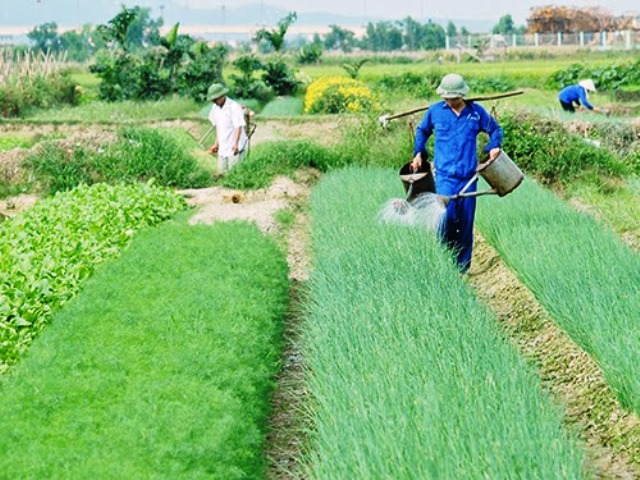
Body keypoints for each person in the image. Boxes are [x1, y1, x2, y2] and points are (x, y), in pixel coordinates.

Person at [410, 73, 503, 272]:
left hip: (468, 178)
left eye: (454, 98)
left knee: (466, 221)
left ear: (462, 95)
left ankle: (463, 268)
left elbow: (495, 129)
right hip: (444, 177)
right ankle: (446, 262)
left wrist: (494, 146)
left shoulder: (476, 113)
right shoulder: (435, 111)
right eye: (447, 98)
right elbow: (422, 131)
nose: (450, 101)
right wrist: (419, 152)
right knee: (446, 219)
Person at [207, 83, 248, 173]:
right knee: (221, 172)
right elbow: (219, 128)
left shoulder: (233, 107)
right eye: (213, 100)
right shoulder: (215, 108)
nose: (214, 101)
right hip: (223, 146)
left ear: (222, 96)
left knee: (235, 172)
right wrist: (216, 144)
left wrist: (236, 144)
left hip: (235, 146)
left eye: (215, 99)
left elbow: (238, 127)